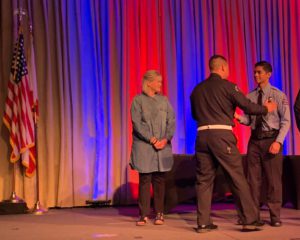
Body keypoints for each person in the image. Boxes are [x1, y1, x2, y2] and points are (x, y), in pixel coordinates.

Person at [190, 55, 277, 233]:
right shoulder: (229, 87)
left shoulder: (196, 90)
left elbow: (194, 115)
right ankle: (249, 220)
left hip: (201, 136)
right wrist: (266, 108)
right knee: (237, 177)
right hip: (222, 136)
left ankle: (203, 223)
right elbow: (248, 107)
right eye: (227, 68)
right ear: (222, 68)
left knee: (204, 181)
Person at [235, 61, 290, 227]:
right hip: (254, 141)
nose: (255, 75)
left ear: (268, 74)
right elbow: (249, 119)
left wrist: (278, 142)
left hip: (271, 140)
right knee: (253, 180)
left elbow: (286, 121)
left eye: (259, 72)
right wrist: (238, 118)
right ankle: (253, 216)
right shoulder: (250, 96)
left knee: (273, 181)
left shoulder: (278, 95)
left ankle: (275, 216)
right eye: (254, 72)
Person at [130, 70, 175, 226]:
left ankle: (159, 213)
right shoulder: (138, 100)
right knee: (145, 179)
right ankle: (143, 214)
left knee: (159, 180)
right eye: (158, 81)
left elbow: (171, 121)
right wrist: (152, 139)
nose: (160, 84)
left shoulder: (164, 101)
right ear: (149, 83)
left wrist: (165, 139)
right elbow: (137, 123)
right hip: (144, 146)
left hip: (162, 146)